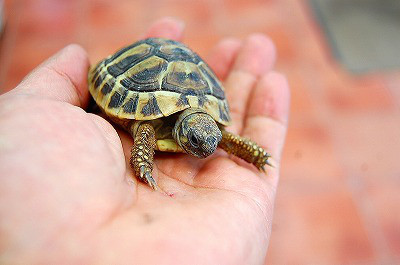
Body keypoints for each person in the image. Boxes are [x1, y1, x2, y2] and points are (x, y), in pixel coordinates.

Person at [0, 17, 289, 264]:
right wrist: (142, 161)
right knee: (146, 128)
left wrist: (255, 154)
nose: (207, 150)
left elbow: (224, 139)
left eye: (210, 141)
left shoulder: (210, 132)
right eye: (197, 142)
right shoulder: (149, 127)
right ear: (183, 132)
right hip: (141, 83)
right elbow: (146, 131)